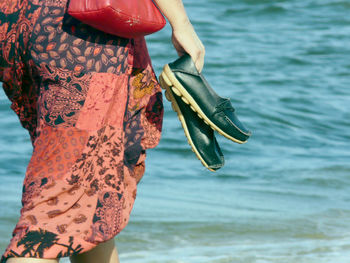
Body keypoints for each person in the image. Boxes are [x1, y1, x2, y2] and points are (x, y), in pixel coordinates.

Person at [0, 0, 204, 262]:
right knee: (52, 212)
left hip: (17, 23)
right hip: (82, 36)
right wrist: (182, 24)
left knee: (89, 185)